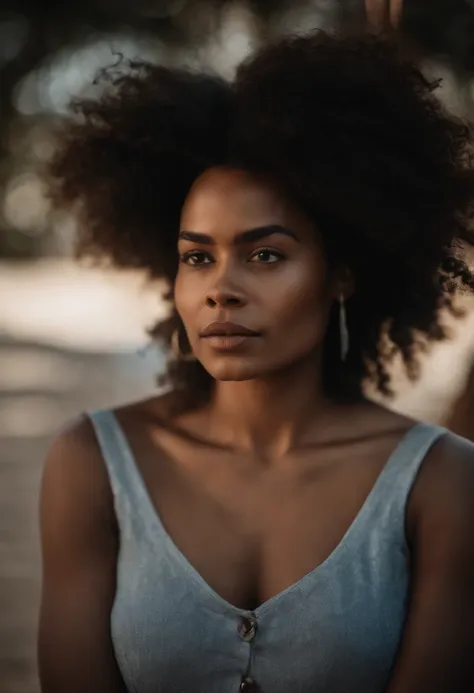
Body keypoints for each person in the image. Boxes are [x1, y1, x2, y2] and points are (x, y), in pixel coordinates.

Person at [37, 30, 474, 693]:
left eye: (265, 253)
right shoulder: (91, 464)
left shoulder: (441, 483)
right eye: (197, 256)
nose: (221, 287)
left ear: (343, 272)